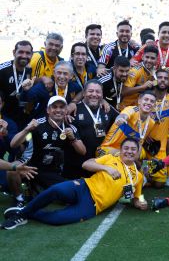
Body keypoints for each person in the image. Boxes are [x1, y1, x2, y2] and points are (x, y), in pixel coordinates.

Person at [1, 138, 147, 230]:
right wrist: (106, 168)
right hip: (83, 187)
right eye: (126, 148)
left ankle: (28, 212)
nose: (129, 151)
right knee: (56, 190)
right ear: (121, 150)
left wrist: (140, 203)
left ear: (138, 152)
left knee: (57, 219)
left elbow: (137, 196)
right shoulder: (110, 158)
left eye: (133, 149)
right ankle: (20, 215)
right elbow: (86, 164)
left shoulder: (138, 176)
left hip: (92, 207)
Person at [10, 96, 86, 193]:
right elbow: (13, 144)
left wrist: (73, 138)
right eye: (54, 107)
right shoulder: (38, 124)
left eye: (61, 107)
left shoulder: (70, 127)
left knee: (70, 193)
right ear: (48, 110)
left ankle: (35, 186)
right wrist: (27, 129)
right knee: (12, 170)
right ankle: (19, 200)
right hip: (29, 165)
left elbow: (83, 151)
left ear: (66, 110)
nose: (58, 110)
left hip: (50, 171)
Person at [63, 80, 118, 179]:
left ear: (102, 94)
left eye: (98, 92)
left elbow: (121, 119)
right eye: (90, 91)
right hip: (77, 165)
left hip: (100, 163)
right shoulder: (73, 111)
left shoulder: (107, 108)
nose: (94, 94)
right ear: (83, 93)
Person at [99, 91, 156, 157]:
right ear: (139, 101)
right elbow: (124, 115)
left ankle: (139, 166)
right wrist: (121, 118)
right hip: (107, 148)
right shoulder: (132, 109)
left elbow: (139, 142)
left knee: (142, 154)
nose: (148, 103)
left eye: (152, 101)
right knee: (125, 156)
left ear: (154, 105)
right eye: (146, 99)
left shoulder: (151, 122)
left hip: (127, 151)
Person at [0, 40, 33, 127]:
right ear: (14, 52)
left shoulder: (29, 70)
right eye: (21, 52)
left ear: (32, 54)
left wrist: (26, 91)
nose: (24, 56)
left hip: (21, 114)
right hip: (4, 116)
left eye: (28, 53)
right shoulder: (2, 69)